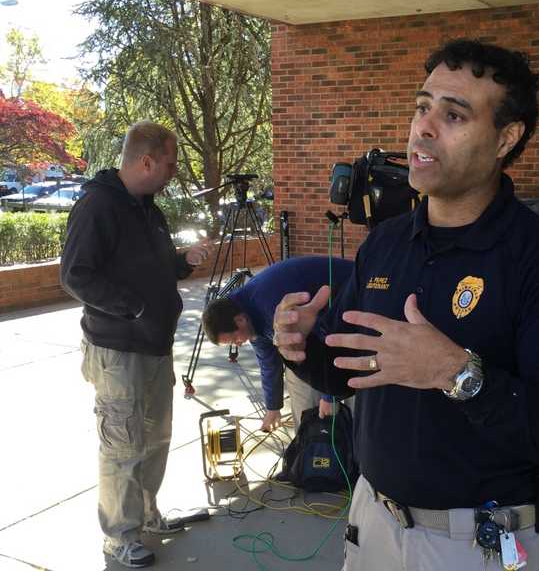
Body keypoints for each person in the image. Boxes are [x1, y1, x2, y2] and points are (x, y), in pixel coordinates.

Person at [272, 39, 539, 571]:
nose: (423, 128)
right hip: (373, 523)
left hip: (477, 543)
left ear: (506, 139)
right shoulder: (385, 243)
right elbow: (348, 372)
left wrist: (457, 373)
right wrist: (299, 348)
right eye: (422, 106)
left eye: (454, 115)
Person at [60, 121, 211, 569]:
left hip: (155, 347)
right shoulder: (98, 206)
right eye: (170, 163)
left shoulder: (148, 208)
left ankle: (147, 516)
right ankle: (119, 536)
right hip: (118, 349)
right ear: (146, 161)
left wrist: (182, 262)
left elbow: (152, 265)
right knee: (123, 444)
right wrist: (134, 308)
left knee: (156, 438)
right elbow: (75, 275)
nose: (173, 172)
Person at [202, 256, 354, 431]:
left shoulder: (270, 306)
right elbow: (268, 363)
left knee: (309, 384)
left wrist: (330, 397)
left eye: (234, 340)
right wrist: (273, 407)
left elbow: (327, 342)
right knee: (300, 377)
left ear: (240, 320)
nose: (238, 344)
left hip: (355, 296)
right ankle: (311, 441)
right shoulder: (245, 314)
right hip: (327, 318)